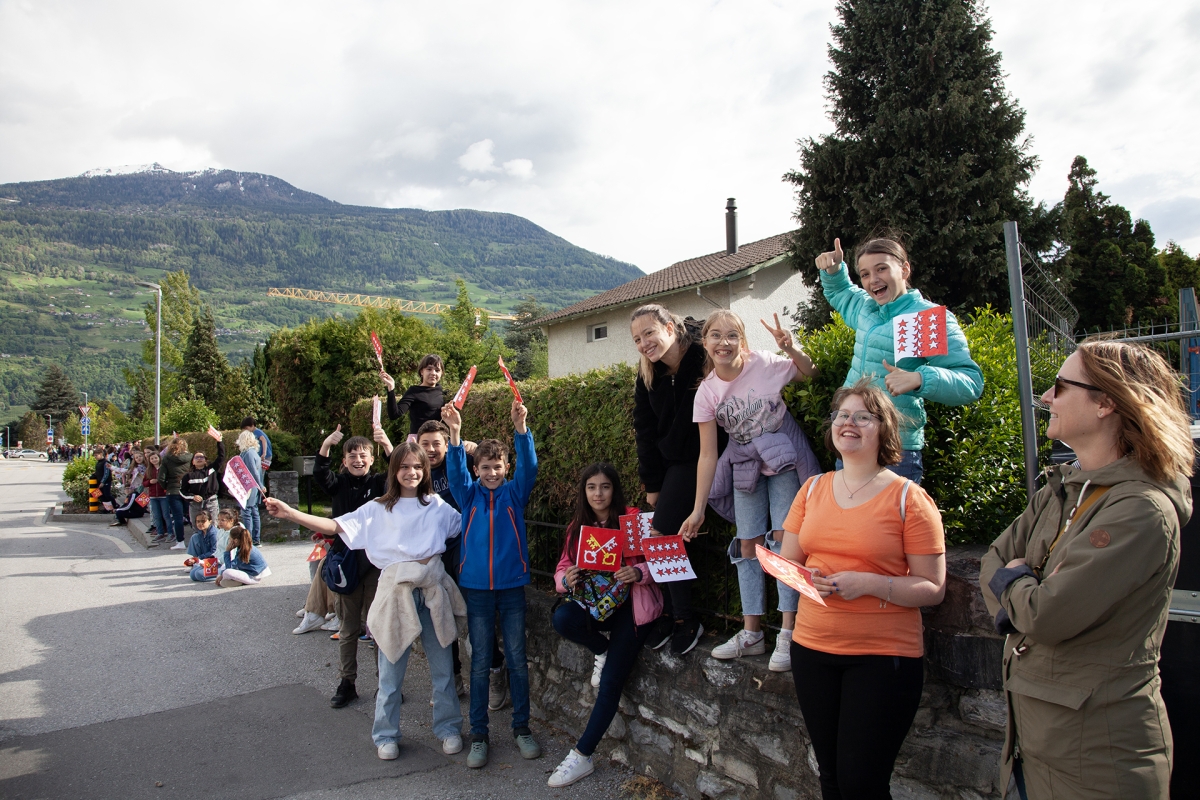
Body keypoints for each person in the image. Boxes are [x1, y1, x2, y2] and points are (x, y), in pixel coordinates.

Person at [980, 341, 1192, 799]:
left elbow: (1047, 614)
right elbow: (992, 560)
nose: (1045, 397)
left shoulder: (1141, 510)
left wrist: (1017, 587)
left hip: (1096, 762)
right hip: (1030, 750)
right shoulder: (1062, 489)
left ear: (1106, 402)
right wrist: (1022, 591)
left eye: (1060, 386)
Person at [780, 380, 947, 799]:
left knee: (862, 784)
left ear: (884, 429)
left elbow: (933, 588)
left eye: (862, 416)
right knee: (831, 778)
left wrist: (871, 584)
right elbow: (787, 566)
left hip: (882, 657)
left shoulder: (910, 499)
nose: (848, 423)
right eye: (842, 415)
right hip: (812, 650)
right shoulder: (811, 489)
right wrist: (808, 580)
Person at [265, 442, 466, 761]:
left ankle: (449, 728)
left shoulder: (437, 506)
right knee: (390, 672)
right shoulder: (377, 509)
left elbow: (469, 523)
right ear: (394, 470)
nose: (411, 472)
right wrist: (290, 513)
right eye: (404, 466)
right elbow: (336, 526)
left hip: (432, 592)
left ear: (425, 470)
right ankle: (385, 734)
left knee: (443, 669)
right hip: (394, 594)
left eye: (417, 467)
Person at [686, 310, 821, 671]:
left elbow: (810, 372)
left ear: (742, 341)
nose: (724, 342)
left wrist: (791, 348)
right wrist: (698, 509)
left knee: (784, 540)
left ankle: (789, 632)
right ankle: (752, 633)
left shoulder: (764, 363)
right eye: (716, 335)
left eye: (732, 335)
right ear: (705, 342)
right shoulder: (706, 393)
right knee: (748, 545)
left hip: (783, 457)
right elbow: (707, 454)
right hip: (745, 464)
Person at [814, 236, 983, 483]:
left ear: (904, 270)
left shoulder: (923, 318)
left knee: (891, 511)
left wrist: (920, 378)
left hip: (894, 447)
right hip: (852, 438)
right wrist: (834, 270)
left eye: (881, 269)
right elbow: (842, 292)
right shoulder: (867, 309)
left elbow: (970, 383)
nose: (873, 280)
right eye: (865, 274)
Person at [548, 464, 663, 788]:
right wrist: (565, 579)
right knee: (562, 618)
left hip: (633, 608)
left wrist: (639, 572)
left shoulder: (634, 519)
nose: (598, 493)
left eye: (605, 486)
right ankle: (602, 649)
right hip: (598, 605)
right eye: (591, 487)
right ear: (584, 492)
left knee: (611, 681)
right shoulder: (577, 527)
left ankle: (582, 754)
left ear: (615, 489)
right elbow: (562, 568)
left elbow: (661, 559)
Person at [442, 399, 541, 769]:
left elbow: (530, 467)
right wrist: (455, 434)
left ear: (506, 467)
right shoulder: (468, 495)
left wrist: (521, 430)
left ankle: (522, 728)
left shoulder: (515, 492)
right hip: (477, 589)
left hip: (512, 586)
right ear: (477, 469)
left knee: (516, 659)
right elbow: (455, 474)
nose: (492, 473)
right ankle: (479, 734)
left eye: (498, 466)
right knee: (481, 660)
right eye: (485, 467)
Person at [630, 303, 726, 655]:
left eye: (649, 333)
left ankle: (685, 618)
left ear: (670, 327)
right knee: (663, 536)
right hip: (675, 464)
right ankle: (672, 612)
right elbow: (644, 429)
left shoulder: (703, 353)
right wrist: (652, 484)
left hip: (708, 455)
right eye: (637, 339)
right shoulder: (647, 374)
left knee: (661, 534)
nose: (644, 344)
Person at [304, 425, 391, 709]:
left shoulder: (379, 483)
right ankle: (347, 682)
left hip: (374, 564)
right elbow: (320, 473)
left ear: (371, 459)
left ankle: (386, 683)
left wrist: (386, 444)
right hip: (345, 564)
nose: (358, 459)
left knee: (377, 627)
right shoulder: (338, 484)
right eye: (352, 455)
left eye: (363, 455)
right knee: (348, 628)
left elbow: (398, 472)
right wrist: (326, 445)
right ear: (344, 461)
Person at [418, 418, 499, 701]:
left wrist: (469, 444)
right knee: (440, 616)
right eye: (425, 444)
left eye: (436, 443)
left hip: (463, 549)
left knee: (475, 612)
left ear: (446, 445)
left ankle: (495, 670)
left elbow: (491, 462)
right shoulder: (415, 471)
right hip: (431, 552)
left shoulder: (462, 460)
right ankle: (451, 678)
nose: (431, 449)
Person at [382, 354, 446, 436]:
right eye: (429, 369)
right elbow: (394, 414)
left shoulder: (443, 392)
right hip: (418, 439)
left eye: (437, 370)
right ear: (422, 371)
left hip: (438, 438)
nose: (433, 373)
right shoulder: (414, 391)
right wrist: (391, 387)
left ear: (441, 373)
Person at [181, 440, 225, 529]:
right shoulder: (188, 476)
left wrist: (219, 442)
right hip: (195, 504)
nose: (199, 459)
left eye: (202, 457)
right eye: (196, 457)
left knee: (213, 527)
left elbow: (221, 457)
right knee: (197, 527)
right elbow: (182, 491)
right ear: (192, 462)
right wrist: (193, 497)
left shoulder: (211, 470)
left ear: (205, 461)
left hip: (211, 502)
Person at [160, 437, 193, 550]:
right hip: (188, 490)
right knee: (192, 515)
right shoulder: (190, 457)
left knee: (178, 517)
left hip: (173, 490)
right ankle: (200, 539)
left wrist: (167, 487)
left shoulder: (167, 459)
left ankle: (180, 542)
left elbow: (161, 478)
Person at [234, 430, 265, 546]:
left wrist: (260, 485)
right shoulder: (253, 453)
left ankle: (250, 539)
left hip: (249, 486)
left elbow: (252, 471)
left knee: (247, 512)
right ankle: (256, 539)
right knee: (254, 511)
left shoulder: (247, 454)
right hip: (253, 486)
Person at [111, 449, 147, 526]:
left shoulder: (148, 467)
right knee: (133, 501)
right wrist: (112, 467)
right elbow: (123, 470)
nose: (139, 458)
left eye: (140, 456)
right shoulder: (135, 468)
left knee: (141, 501)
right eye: (136, 457)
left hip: (145, 487)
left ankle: (141, 511)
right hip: (137, 488)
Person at [145, 450, 171, 544]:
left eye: (155, 458)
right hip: (153, 496)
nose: (154, 460)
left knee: (166, 515)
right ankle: (160, 533)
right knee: (156, 516)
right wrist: (149, 482)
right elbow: (144, 483)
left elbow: (168, 480)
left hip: (163, 495)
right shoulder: (149, 470)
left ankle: (170, 532)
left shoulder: (164, 468)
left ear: (159, 458)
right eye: (152, 458)